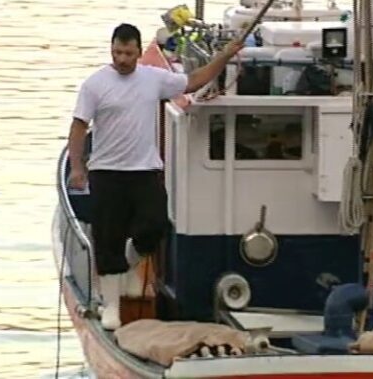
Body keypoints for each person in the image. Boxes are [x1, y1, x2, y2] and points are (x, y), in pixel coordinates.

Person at [66, 23, 243, 329]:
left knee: (155, 225)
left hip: (145, 170)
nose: (122, 59)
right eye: (117, 52)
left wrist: (224, 57)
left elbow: (194, 81)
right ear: (111, 49)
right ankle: (111, 306)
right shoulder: (94, 85)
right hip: (106, 172)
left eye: (128, 53)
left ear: (137, 52)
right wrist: (78, 167)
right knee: (107, 239)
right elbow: (79, 127)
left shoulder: (153, 79)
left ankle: (128, 264)